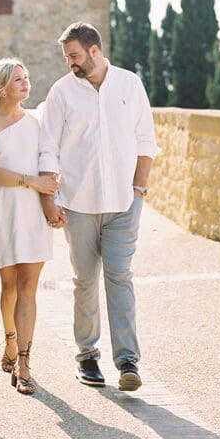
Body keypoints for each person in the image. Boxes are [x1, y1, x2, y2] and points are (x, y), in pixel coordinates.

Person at [38, 21, 159, 392]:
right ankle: (87, 356)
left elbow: (145, 140)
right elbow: (48, 149)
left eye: (73, 55)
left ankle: (127, 361)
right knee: (85, 280)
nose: (69, 63)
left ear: (94, 50)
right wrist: (49, 201)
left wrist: (139, 190)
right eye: (66, 57)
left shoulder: (129, 84)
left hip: (124, 203)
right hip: (78, 205)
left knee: (120, 276)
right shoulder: (61, 93)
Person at [0, 58, 58, 395]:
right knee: (9, 287)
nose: (25, 84)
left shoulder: (38, 121)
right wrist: (31, 182)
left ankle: (24, 364)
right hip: (4, 212)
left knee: (28, 289)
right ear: (2, 86)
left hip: (34, 213)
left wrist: (51, 199)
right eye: (18, 79)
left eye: (27, 78)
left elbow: (51, 161)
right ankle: (9, 340)